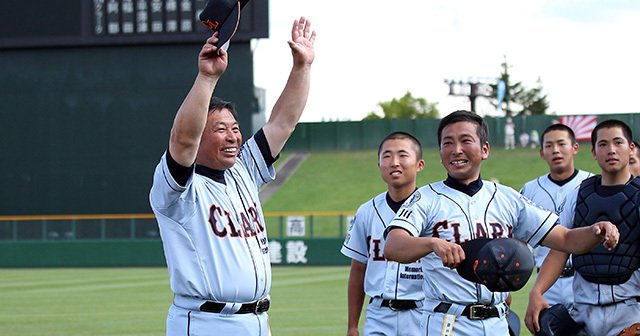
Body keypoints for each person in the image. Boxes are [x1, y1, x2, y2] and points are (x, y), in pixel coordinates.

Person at [383, 110, 619, 336]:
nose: (456, 150)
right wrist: (432, 244)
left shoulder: (507, 198)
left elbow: (566, 239)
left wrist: (596, 231)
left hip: (497, 322)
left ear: (485, 150)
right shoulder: (425, 198)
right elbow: (393, 246)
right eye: (447, 143)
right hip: (447, 321)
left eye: (466, 140)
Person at [149, 17, 316, 336]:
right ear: (200, 136)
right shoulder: (179, 191)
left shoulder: (244, 170)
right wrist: (207, 78)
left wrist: (302, 67)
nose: (232, 137)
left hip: (258, 321)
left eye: (236, 129)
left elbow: (283, 123)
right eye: (220, 129)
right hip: (205, 322)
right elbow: (182, 141)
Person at [525, 119, 640, 336]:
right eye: (603, 144)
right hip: (582, 311)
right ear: (594, 152)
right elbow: (561, 247)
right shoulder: (579, 195)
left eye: (618, 143)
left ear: (631, 148)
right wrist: (537, 292)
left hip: (630, 310)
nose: (611, 150)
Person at [341, 132, 426, 336]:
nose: (394, 162)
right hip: (379, 314)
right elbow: (358, 270)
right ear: (379, 164)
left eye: (403, 155)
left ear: (419, 164)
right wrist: (352, 325)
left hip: (423, 313)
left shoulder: (434, 208)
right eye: (387, 156)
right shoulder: (367, 211)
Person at [520, 124, 593, 311]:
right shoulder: (529, 190)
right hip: (545, 285)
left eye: (562, 144)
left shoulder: (592, 184)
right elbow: (518, 242)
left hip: (585, 280)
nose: (556, 150)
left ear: (575, 148)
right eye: (549, 146)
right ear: (542, 152)